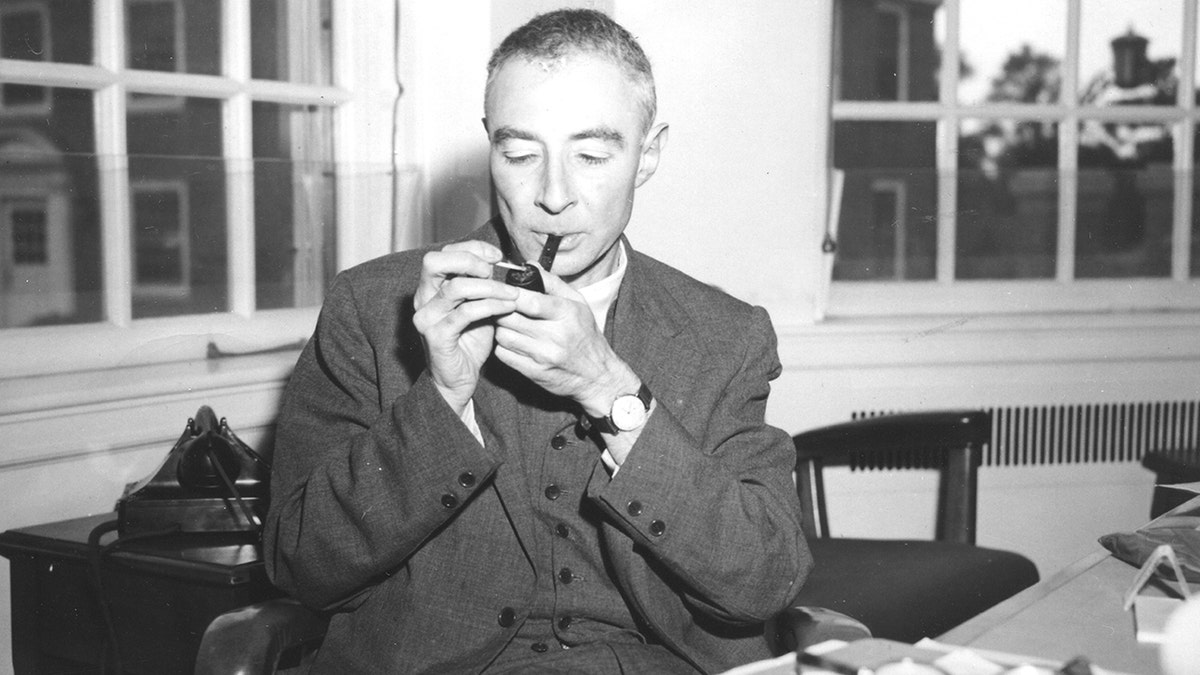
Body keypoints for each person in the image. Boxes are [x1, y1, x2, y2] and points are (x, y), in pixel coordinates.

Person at [264, 8, 811, 674]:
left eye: (591, 154)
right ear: (489, 145)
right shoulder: (372, 307)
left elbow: (762, 580)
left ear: (650, 154)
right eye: (520, 154)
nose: (552, 195)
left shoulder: (725, 335)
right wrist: (443, 400)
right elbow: (299, 564)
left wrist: (609, 389)